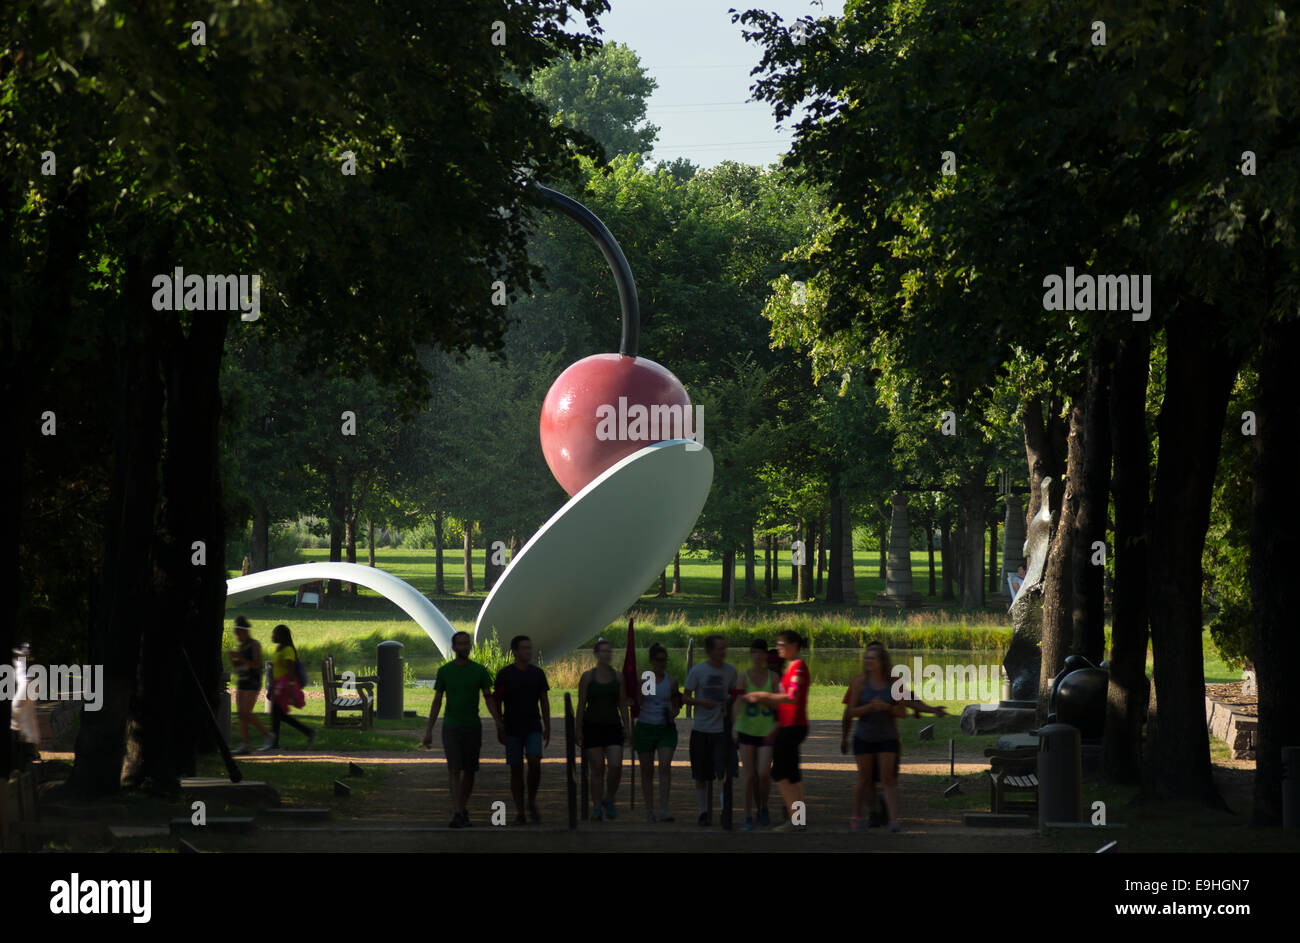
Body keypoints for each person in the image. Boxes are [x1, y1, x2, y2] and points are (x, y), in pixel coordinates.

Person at [840, 641, 948, 832]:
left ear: (882, 661)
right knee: (865, 780)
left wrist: (931, 709)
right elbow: (850, 712)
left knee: (888, 779)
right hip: (864, 737)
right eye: (866, 657)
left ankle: (893, 820)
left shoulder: (894, 682)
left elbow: (908, 704)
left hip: (887, 737)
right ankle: (864, 814)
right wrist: (867, 710)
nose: (868, 661)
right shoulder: (859, 682)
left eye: (872, 658)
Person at [423, 631, 503, 828]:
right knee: (454, 768)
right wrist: (429, 730)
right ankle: (457, 811)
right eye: (460, 644)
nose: (464, 647)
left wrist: (499, 722)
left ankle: (462, 806)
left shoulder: (480, 671)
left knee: (470, 770)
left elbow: (489, 698)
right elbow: (437, 701)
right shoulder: (445, 671)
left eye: (466, 644)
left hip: (473, 726)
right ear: (453, 647)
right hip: (451, 725)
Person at [743, 630, 808, 830]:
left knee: (780, 773)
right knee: (793, 774)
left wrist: (763, 696)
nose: (778, 647)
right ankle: (799, 818)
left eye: (781, 644)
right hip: (791, 725)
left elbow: (792, 696)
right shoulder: (790, 667)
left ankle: (794, 818)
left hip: (792, 726)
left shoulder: (797, 667)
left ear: (793, 646)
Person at [494, 635, 551, 825]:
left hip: (533, 725)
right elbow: (497, 701)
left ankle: (531, 800)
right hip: (512, 727)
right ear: (515, 652)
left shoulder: (538, 674)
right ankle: (520, 811)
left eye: (530, 648)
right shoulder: (504, 674)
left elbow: (544, 700)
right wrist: (499, 725)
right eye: (524, 648)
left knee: (535, 762)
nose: (528, 651)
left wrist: (548, 725)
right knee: (516, 769)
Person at [683, 634, 738, 826]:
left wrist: (729, 707)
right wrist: (701, 702)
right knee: (701, 775)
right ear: (710, 650)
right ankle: (703, 812)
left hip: (721, 731)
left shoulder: (731, 671)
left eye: (725, 648)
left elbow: (735, 696)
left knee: (723, 774)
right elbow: (685, 697)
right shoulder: (698, 671)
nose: (723, 652)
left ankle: (724, 811)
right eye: (719, 648)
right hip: (701, 729)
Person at [576, 639, 632, 821]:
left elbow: (623, 704)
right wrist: (578, 729)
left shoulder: (618, 677)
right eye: (603, 651)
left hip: (613, 727)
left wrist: (628, 727)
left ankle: (609, 798)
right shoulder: (588, 677)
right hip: (592, 727)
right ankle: (597, 806)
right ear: (596, 654)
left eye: (609, 651)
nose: (607, 655)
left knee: (616, 766)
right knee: (597, 769)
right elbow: (580, 705)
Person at [633, 643, 682, 823]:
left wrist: (673, 712)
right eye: (659, 660)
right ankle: (649, 809)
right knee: (647, 770)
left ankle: (664, 808)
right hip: (645, 728)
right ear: (652, 661)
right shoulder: (647, 680)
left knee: (664, 766)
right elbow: (639, 703)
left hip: (665, 729)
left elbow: (676, 706)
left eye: (664, 661)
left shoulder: (671, 681)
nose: (662, 664)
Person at [734, 638, 778, 830]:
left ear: (765, 655)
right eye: (755, 652)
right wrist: (735, 725)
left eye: (761, 653)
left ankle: (763, 807)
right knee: (749, 774)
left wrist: (761, 698)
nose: (758, 656)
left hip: (766, 731)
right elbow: (737, 702)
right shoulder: (743, 677)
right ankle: (747, 815)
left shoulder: (773, 677)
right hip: (746, 730)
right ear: (751, 655)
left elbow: (779, 705)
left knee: (763, 773)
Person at [260, 624, 314, 751]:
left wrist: (290, 688)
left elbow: (290, 670)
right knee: (278, 715)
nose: (272, 636)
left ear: (281, 636)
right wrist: (271, 687)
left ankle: (275, 743)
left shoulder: (288, 650)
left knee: (277, 714)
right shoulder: (279, 649)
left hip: (284, 686)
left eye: (275, 634)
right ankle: (307, 732)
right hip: (277, 685)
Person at [228, 616, 268, 755]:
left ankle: (267, 735)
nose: (237, 637)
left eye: (238, 634)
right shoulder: (241, 646)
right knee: (241, 714)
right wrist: (232, 659)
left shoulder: (254, 645)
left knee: (246, 712)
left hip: (252, 681)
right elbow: (238, 666)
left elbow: (256, 665)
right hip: (242, 681)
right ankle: (245, 744)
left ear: (244, 632)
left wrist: (239, 657)